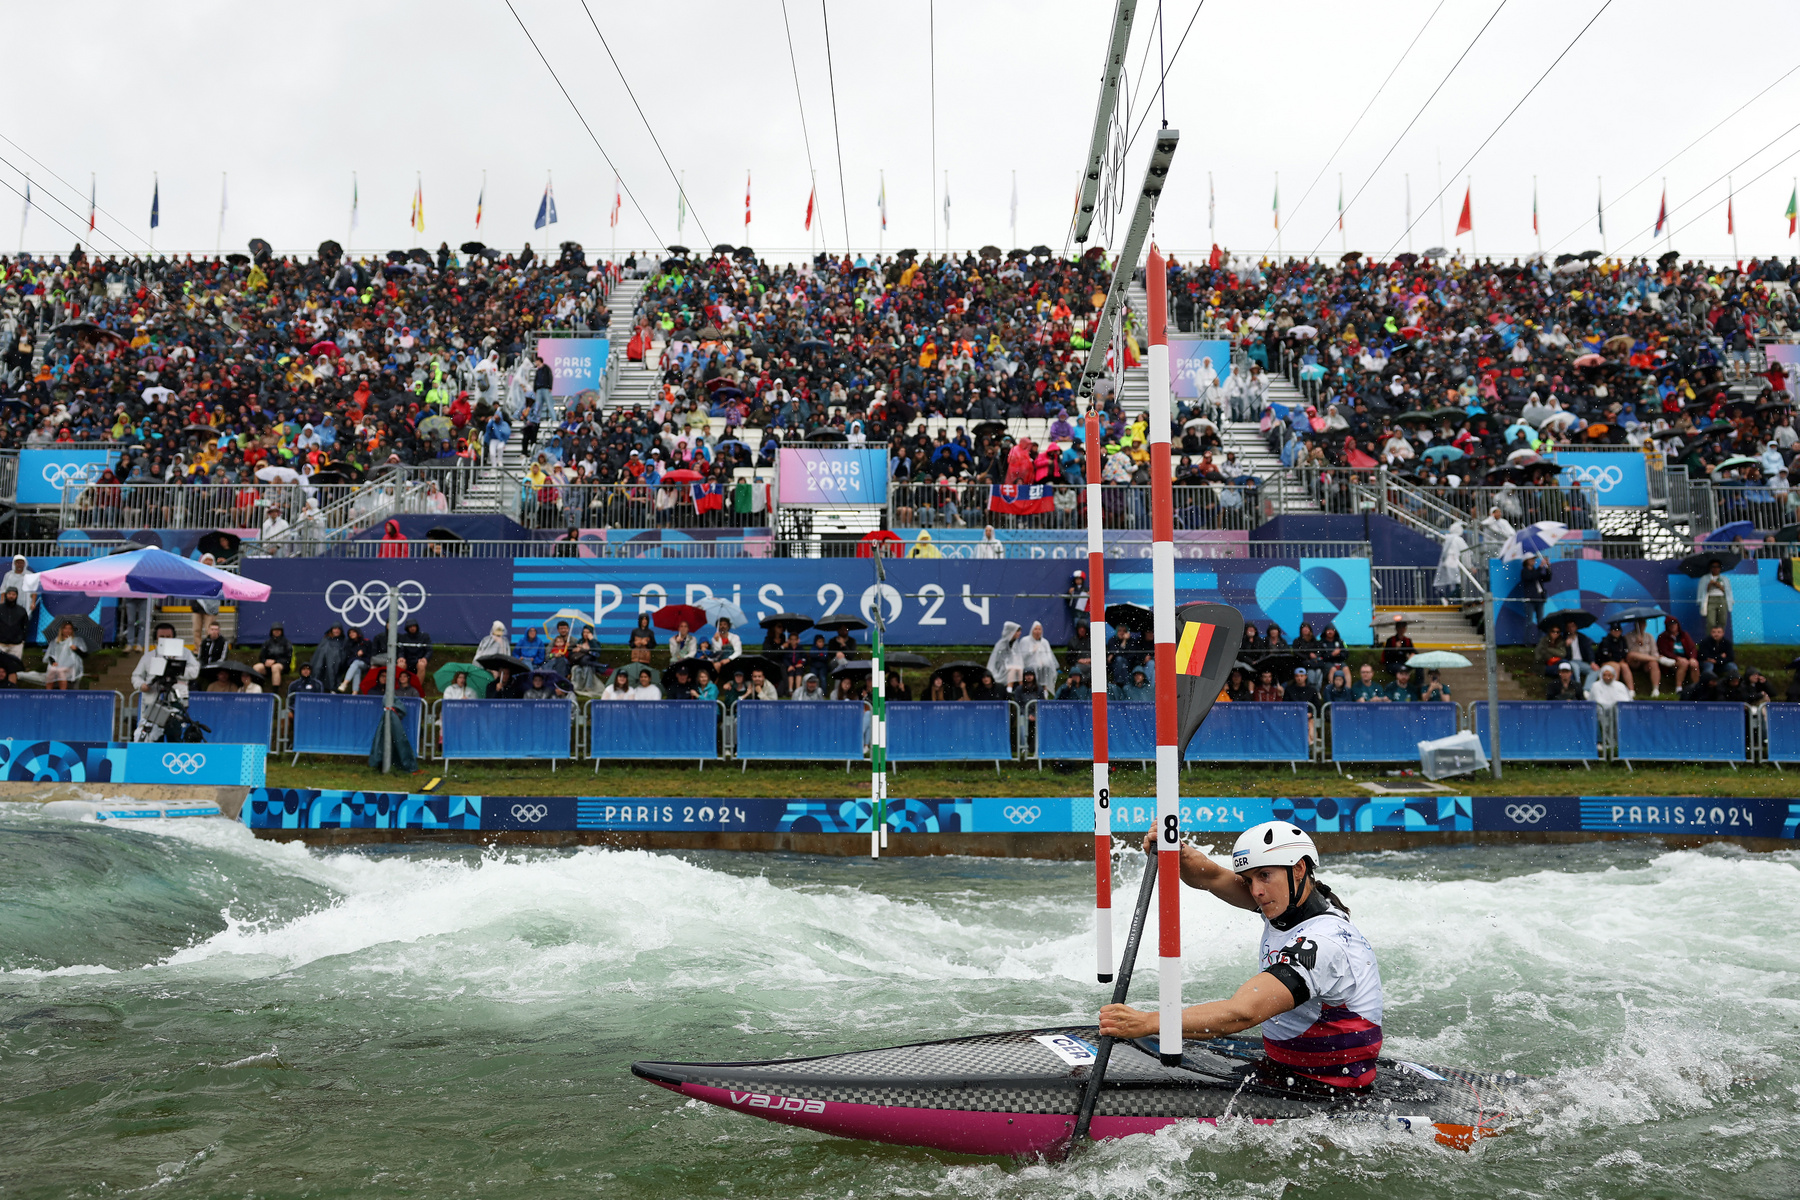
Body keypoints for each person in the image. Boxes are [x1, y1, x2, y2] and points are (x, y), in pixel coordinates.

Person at [1100, 823, 1384, 1093]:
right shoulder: (1289, 904)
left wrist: (1149, 1022)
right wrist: (1176, 849)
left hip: (1329, 1084)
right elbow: (1211, 876)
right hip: (1287, 1063)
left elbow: (1243, 1012)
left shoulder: (1324, 943)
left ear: (1298, 868)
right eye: (1249, 880)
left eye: (1264, 875)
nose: (1256, 891)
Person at [130, 622, 200, 741]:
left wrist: (177, 671)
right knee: (153, 736)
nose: (165, 639)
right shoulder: (149, 656)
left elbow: (195, 671)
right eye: (162, 637)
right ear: (156, 638)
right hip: (154, 700)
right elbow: (135, 676)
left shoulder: (185, 653)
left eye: (168, 636)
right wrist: (142, 685)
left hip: (176, 701)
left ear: (174, 637)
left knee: (175, 734)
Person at [1622, 620, 1664, 697]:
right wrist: (1636, 644)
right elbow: (1627, 652)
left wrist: (1653, 657)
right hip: (1634, 662)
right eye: (1639, 624)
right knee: (1632, 655)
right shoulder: (1627, 636)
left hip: (1647, 661)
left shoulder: (1649, 636)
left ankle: (1655, 689)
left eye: (1643, 624)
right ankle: (1659, 660)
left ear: (1645, 625)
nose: (1641, 626)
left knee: (1653, 663)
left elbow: (1654, 652)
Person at [1657, 617, 1698, 694]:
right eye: (1670, 625)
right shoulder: (1662, 637)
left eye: (1674, 624)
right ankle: (1678, 688)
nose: (1672, 626)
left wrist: (1692, 658)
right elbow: (1664, 651)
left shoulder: (1684, 635)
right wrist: (1677, 658)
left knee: (1694, 664)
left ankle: (1696, 687)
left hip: (1686, 658)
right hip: (1671, 660)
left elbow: (1692, 648)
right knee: (1683, 663)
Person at [43, 619, 86, 690]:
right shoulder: (55, 642)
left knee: (60, 671)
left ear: (72, 630)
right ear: (62, 630)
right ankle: (48, 693)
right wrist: (53, 662)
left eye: (70, 629)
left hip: (72, 666)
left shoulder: (76, 641)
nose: (67, 631)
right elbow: (50, 655)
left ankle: (62, 692)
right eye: (65, 628)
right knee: (52, 671)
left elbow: (84, 655)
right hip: (59, 665)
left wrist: (76, 649)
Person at [1593, 622, 1634, 692]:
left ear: (1621, 631)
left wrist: (1620, 658)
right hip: (1606, 662)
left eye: (1618, 630)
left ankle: (1631, 690)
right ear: (1611, 631)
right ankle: (1612, 690)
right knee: (1616, 666)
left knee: (1625, 666)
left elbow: (1624, 653)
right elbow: (1605, 656)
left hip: (1618, 661)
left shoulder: (1622, 640)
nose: (1616, 632)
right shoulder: (1606, 641)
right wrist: (1616, 659)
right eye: (1614, 630)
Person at [1513, 554, 1552, 628]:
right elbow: (1531, 577)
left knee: (1541, 621)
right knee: (1529, 622)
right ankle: (1528, 639)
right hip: (1530, 600)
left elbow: (1547, 578)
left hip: (1539, 598)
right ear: (1526, 561)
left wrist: (1547, 567)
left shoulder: (1536, 571)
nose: (1534, 561)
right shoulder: (1524, 571)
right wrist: (1541, 566)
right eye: (1531, 559)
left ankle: (1540, 639)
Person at [251, 622, 292, 689]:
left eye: (278, 630)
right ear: (272, 631)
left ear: (281, 631)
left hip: (282, 666)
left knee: (275, 667)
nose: (277, 632)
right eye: (275, 630)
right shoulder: (267, 643)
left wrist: (275, 661)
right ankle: (259, 688)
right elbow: (261, 656)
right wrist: (265, 661)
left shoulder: (287, 643)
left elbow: (288, 658)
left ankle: (275, 693)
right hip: (268, 666)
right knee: (256, 667)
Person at [1698, 559, 1733, 633]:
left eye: (1717, 567)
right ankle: (1710, 640)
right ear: (1710, 568)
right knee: (1711, 622)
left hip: (1721, 599)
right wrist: (1710, 585)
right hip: (1710, 600)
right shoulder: (1705, 578)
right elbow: (1702, 591)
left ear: (1720, 568)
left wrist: (1719, 586)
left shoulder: (1724, 579)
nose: (1715, 568)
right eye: (1713, 566)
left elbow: (1728, 591)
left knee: (1722, 621)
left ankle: (1720, 640)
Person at [310, 623, 348, 690]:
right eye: (335, 629)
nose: (336, 631)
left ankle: (332, 687)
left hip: (337, 665)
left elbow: (344, 655)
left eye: (338, 629)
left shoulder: (344, 641)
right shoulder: (325, 640)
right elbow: (319, 655)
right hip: (323, 664)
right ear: (331, 630)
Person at [988, 620, 1023, 687]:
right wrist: (1009, 665)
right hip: (1001, 668)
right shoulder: (1001, 644)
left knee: (1020, 669)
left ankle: (1022, 689)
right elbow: (998, 661)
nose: (1020, 633)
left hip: (1011, 666)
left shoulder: (1015, 643)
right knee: (1012, 669)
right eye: (1017, 631)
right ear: (1011, 632)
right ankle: (1009, 689)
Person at [0, 586, 29, 662]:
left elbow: (25, 626)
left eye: (13, 594)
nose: (11, 596)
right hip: (1, 644)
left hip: (16, 645)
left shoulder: (21, 610)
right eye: (9, 594)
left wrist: (22, 639)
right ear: (6, 594)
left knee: (14, 667)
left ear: (16, 596)